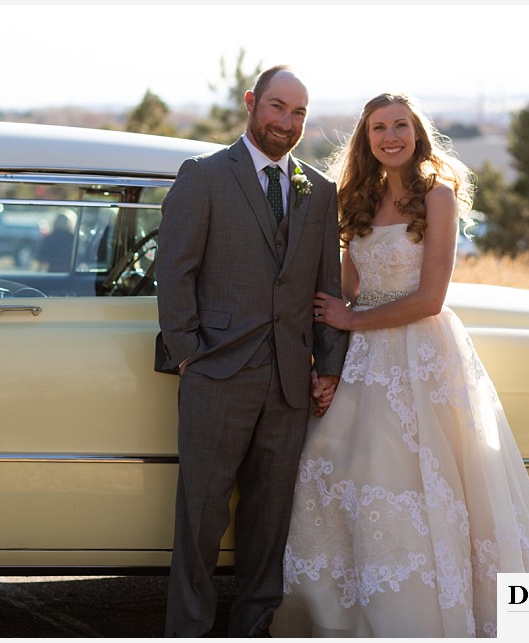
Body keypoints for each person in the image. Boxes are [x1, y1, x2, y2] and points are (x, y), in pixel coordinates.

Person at [271, 93, 529, 638]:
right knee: (332, 470)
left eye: (400, 126)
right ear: (366, 140)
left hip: (420, 355)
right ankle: (342, 613)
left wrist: (351, 322)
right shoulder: (359, 199)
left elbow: (431, 298)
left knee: (410, 482)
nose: (390, 137)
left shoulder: (437, 196)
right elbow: (347, 287)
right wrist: (329, 360)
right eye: (378, 129)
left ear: (418, 133)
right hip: (362, 356)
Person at [156, 65, 350, 637]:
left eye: (298, 114)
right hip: (217, 375)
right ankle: (188, 631)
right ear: (251, 103)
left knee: (269, 526)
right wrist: (189, 352)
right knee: (200, 521)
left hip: (291, 384)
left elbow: (326, 288)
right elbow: (175, 271)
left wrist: (329, 366)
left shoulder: (319, 191)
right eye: (277, 108)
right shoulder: (206, 176)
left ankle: (254, 629)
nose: (286, 123)